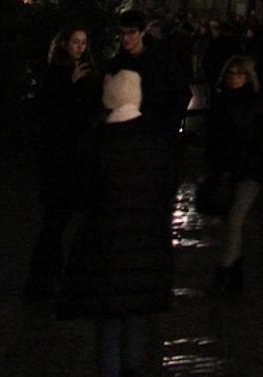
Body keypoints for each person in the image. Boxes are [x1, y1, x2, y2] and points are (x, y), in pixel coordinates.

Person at [58, 69, 176, 377]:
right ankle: (132, 367)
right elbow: (167, 185)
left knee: (107, 319)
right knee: (134, 312)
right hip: (145, 239)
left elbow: (82, 190)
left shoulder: (97, 140)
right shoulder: (154, 139)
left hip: (105, 241)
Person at [25, 25, 102, 296]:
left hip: (74, 155)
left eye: (83, 42)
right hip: (59, 157)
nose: (80, 47)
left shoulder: (86, 72)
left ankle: (49, 272)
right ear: (64, 44)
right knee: (55, 218)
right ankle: (43, 275)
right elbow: (53, 113)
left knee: (59, 218)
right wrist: (70, 85)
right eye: (75, 42)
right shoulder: (57, 73)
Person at [204, 55, 263, 295]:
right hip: (226, 172)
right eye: (231, 73)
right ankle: (235, 277)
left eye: (239, 73)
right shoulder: (220, 102)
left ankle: (222, 272)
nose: (234, 77)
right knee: (232, 224)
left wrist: (259, 162)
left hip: (249, 171)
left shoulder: (255, 103)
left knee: (235, 220)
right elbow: (211, 138)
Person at [105, 11, 191, 142]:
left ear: (142, 32)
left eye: (131, 32)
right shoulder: (117, 64)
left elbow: (182, 93)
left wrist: (168, 128)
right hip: (125, 135)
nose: (125, 38)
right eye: (122, 33)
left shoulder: (162, 61)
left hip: (154, 134)